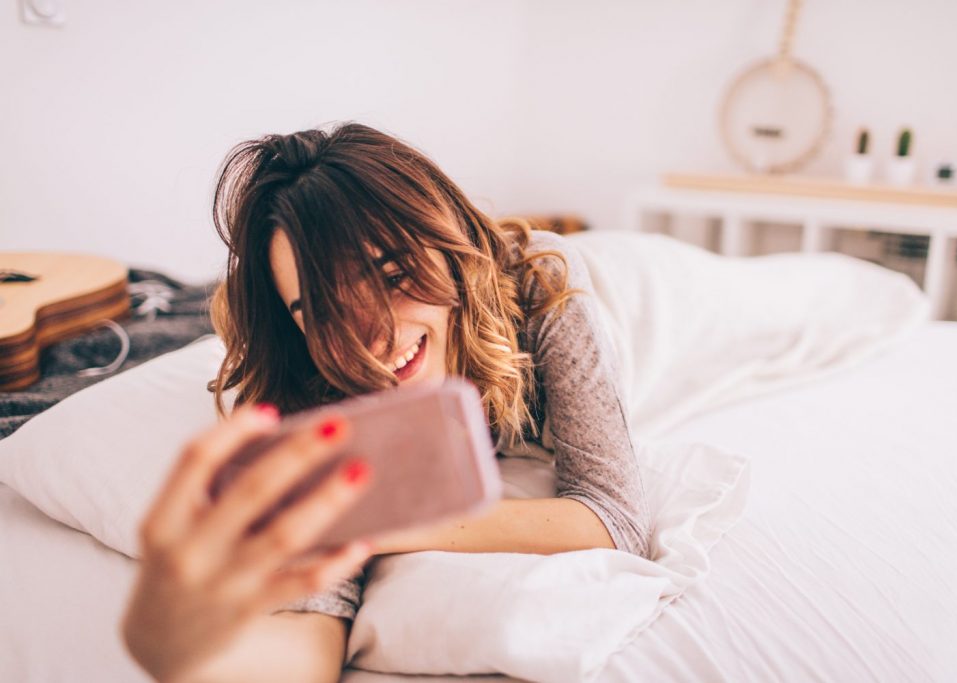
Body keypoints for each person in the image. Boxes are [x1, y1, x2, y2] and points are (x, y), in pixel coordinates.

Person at [121, 122, 652, 682]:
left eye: (393, 276)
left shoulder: (541, 281)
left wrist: (375, 526)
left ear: (448, 247)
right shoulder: (317, 388)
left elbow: (614, 519)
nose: (370, 341)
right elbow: (306, 638)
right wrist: (168, 647)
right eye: (324, 311)